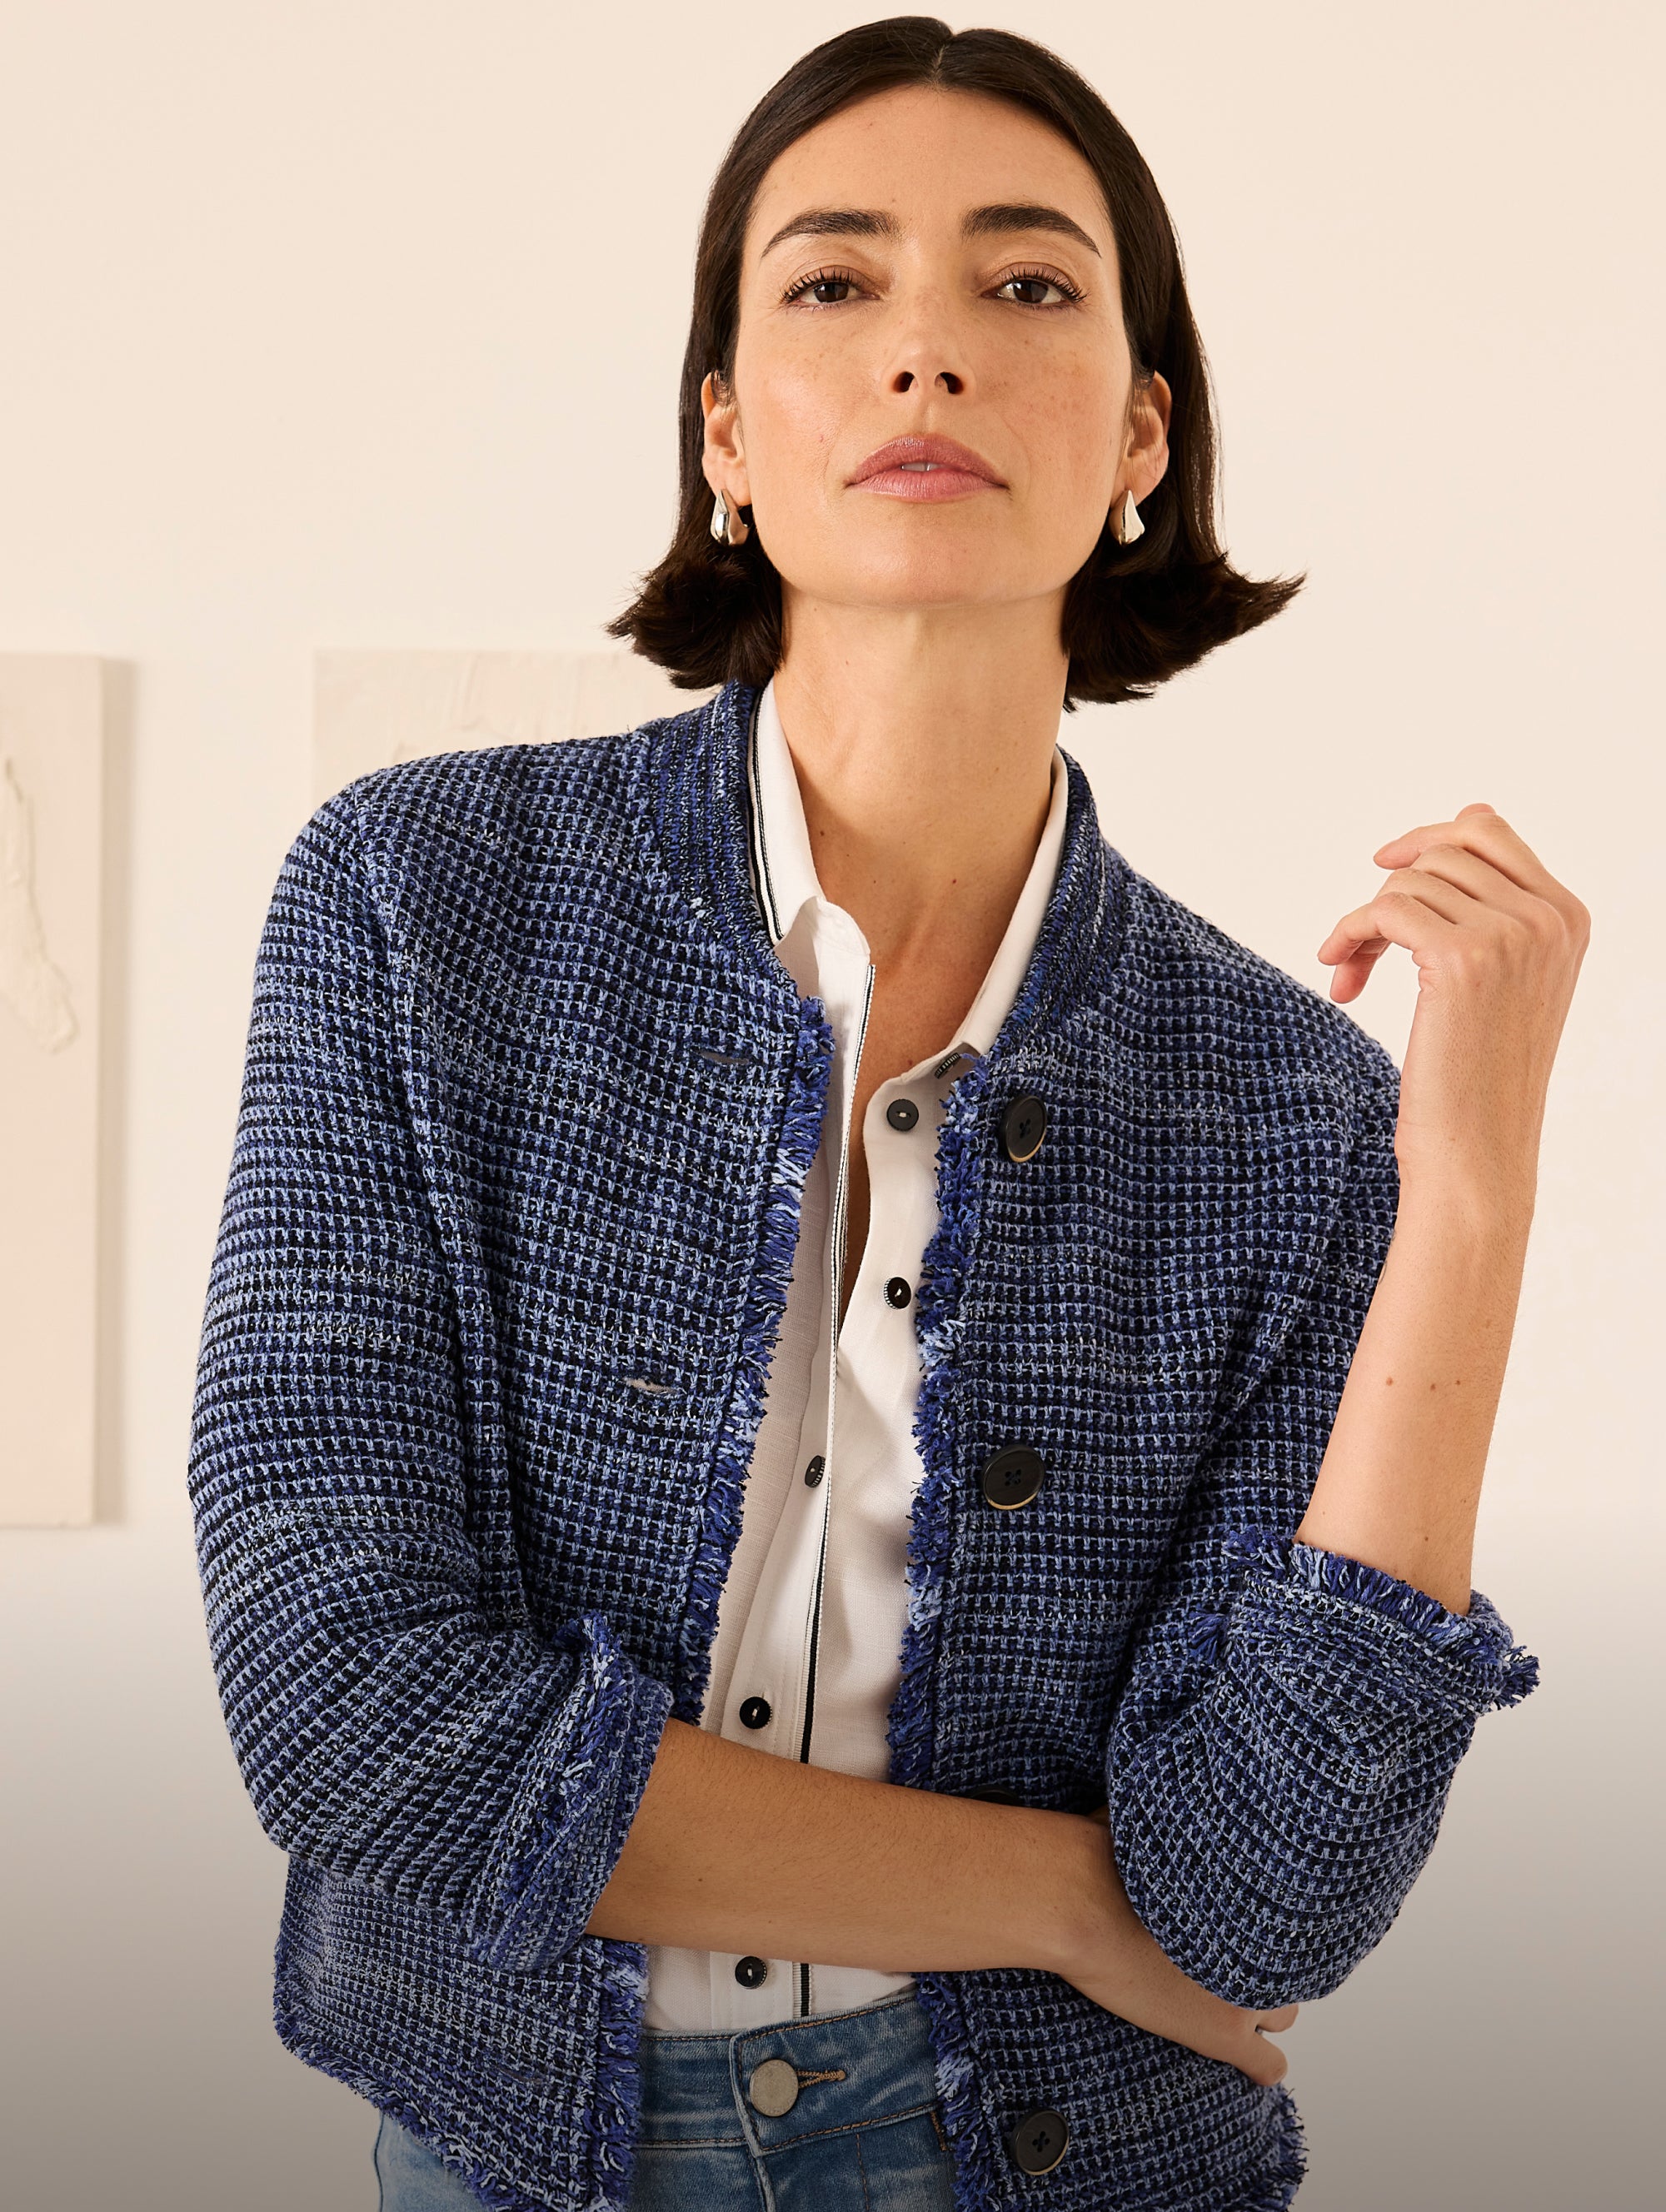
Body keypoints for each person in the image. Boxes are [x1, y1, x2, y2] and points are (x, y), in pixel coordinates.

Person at [187, 18, 1588, 2212]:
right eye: (836, 284)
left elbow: (1259, 1905)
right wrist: (1052, 1898)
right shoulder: (418, 901)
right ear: (726, 436)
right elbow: (347, 1705)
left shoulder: (1295, 1109)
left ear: (1141, 437)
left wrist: (1471, 1200)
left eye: (1025, 284)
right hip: (512, 2149)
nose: (928, 346)